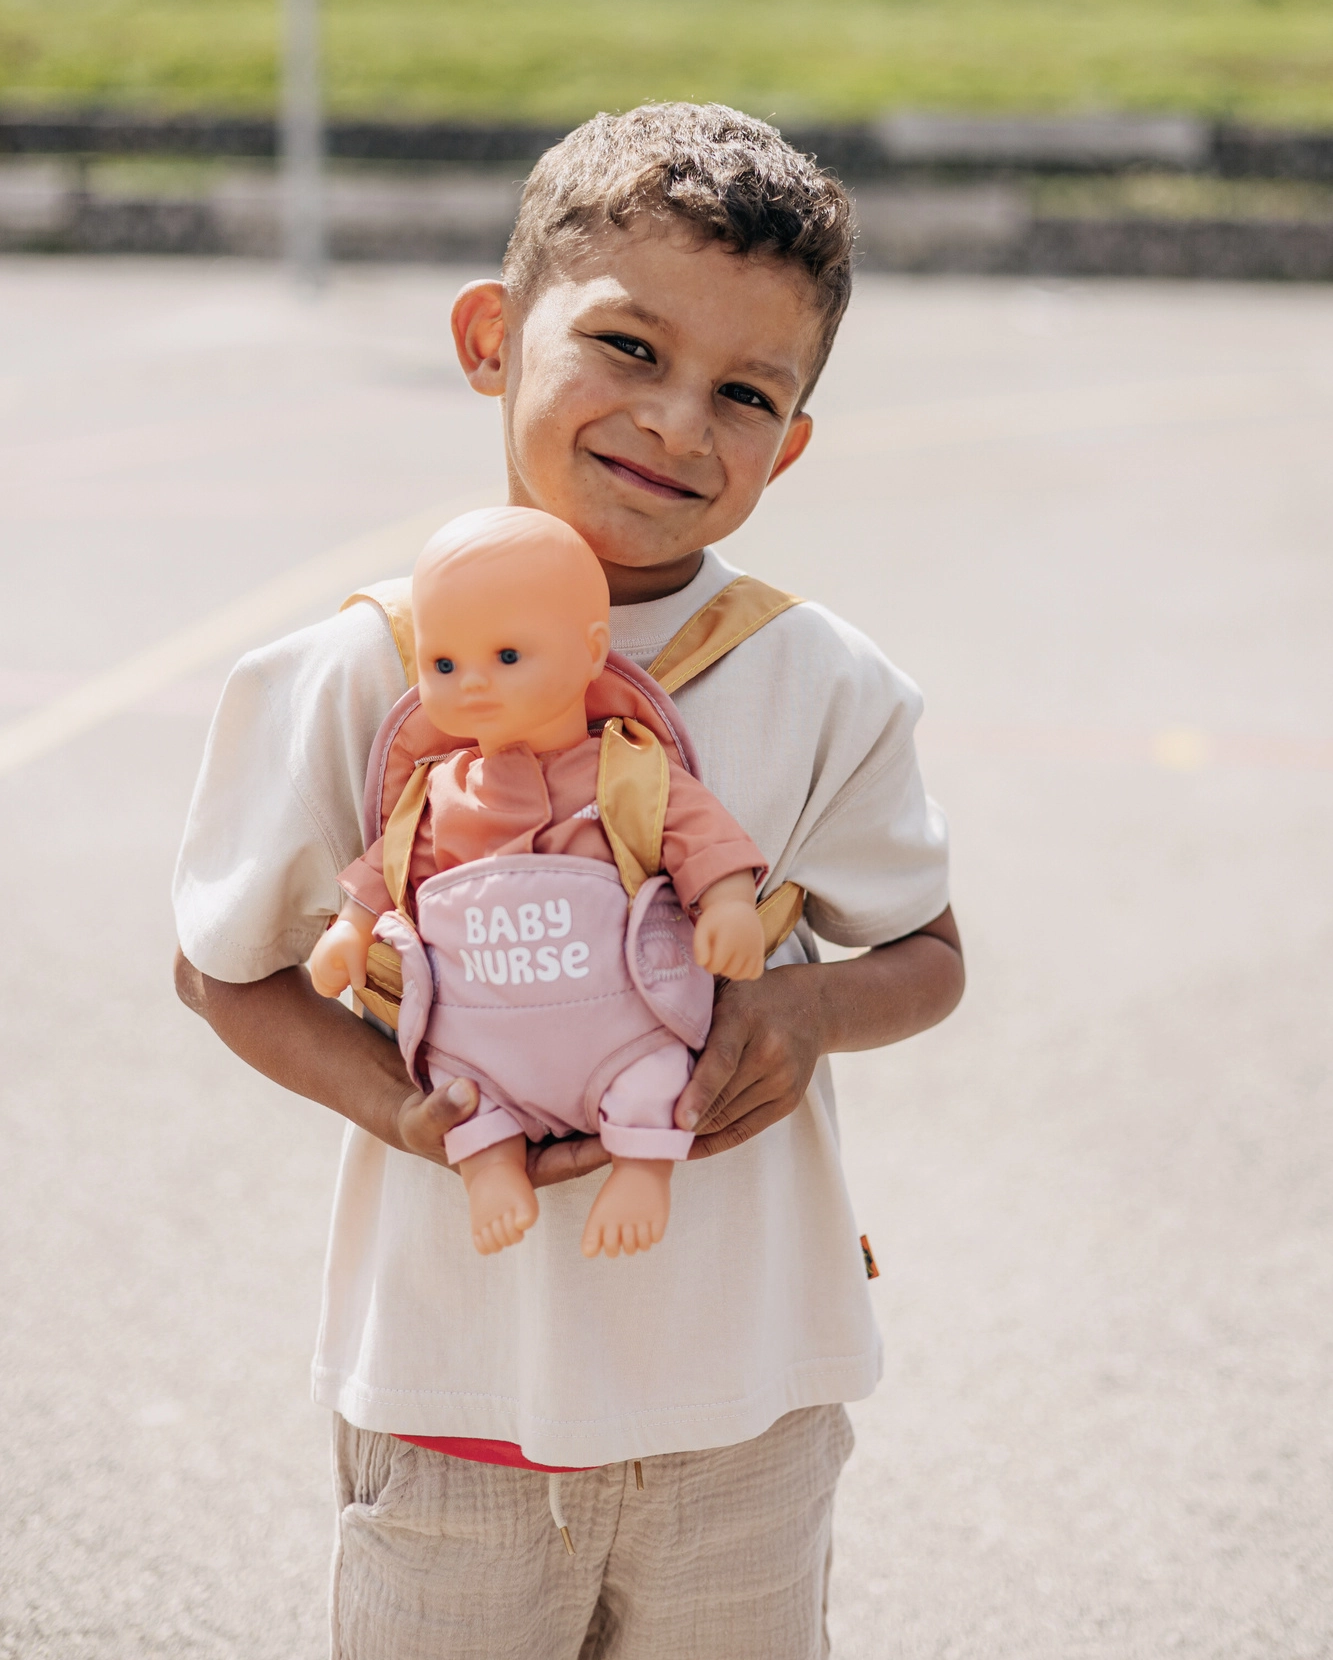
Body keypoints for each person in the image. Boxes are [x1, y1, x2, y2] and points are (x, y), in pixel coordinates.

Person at [173, 102, 964, 1660]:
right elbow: (223, 968)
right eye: (626, 346)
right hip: (456, 1380)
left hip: (745, 1390)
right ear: (491, 338)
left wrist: (802, 1015)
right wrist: (413, 1113)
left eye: (744, 393)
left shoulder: (823, 680)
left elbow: (928, 955)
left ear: (790, 444)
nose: (675, 421)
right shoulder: (363, 668)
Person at [309, 504, 767, 1259]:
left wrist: (726, 902)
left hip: (615, 1027)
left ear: (592, 652)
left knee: (654, 1073)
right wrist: (350, 930)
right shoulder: (441, 791)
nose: (473, 684)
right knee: (461, 1095)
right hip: (483, 1036)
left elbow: (696, 833)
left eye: (507, 656)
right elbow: (392, 866)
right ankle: (490, 1168)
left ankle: (642, 1169)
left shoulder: (625, 769)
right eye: (443, 666)